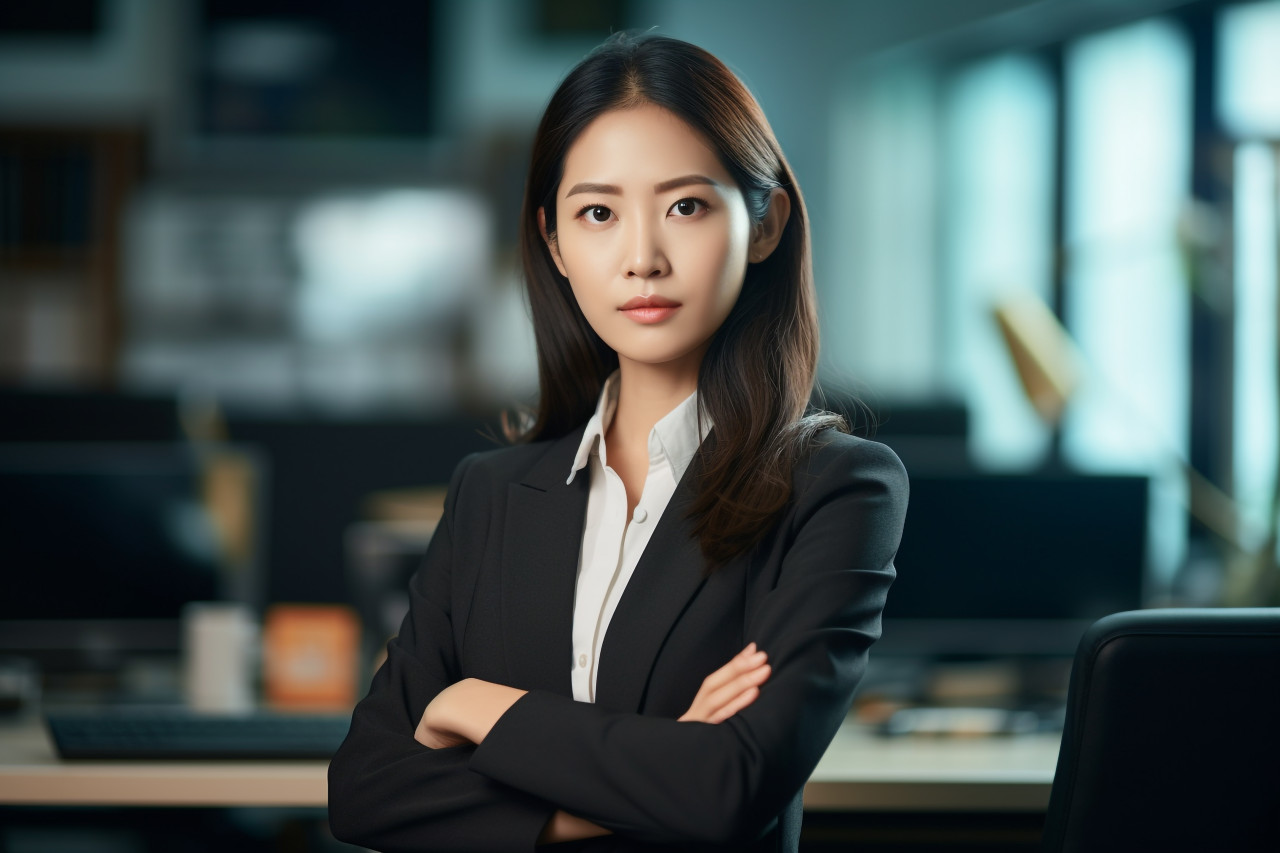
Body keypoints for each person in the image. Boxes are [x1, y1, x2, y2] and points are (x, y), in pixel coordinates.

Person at [328, 32, 908, 852]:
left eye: (687, 206)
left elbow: (725, 786)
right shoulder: (490, 493)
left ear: (766, 223)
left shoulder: (836, 488)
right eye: (598, 213)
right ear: (556, 243)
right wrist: (637, 781)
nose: (643, 259)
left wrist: (476, 708)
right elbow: (362, 789)